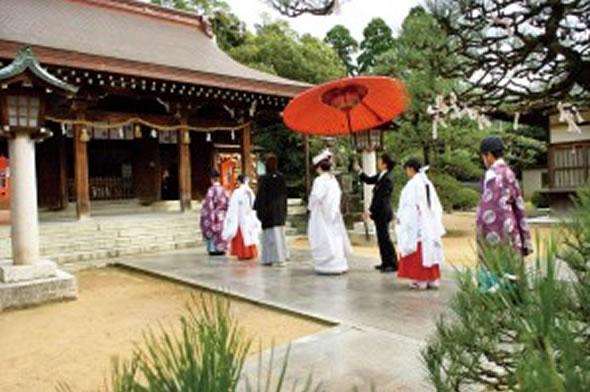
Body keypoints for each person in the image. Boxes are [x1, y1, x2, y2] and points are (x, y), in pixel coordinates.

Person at [476, 136, 533, 290]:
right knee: (510, 259)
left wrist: (480, 226)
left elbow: (488, 205)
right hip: (510, 222)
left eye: (483, 156)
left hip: (495, 226)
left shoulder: (492, 174)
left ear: (488, 155)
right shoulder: (509, 172)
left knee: (493, 261)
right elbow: (518, 201)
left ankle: (493, 295)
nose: (483, 160)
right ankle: (514, 293)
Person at [396, 158, 445, 289]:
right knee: (430, 248)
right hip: (428, 221)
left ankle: (420, 279)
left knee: (417, 249)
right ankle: (432, 278)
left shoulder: (413, 184)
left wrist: (403, 219)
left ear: (411, 169)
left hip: (417, 223)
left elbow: (409, 205)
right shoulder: (426, 182)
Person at [308, 149, 351, 275]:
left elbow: (316, 196)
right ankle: (338, 263)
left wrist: (311, 206)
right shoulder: (333, 180)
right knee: (335, 237)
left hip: (321, 213)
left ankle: (327, 265)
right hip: (333, 213)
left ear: (319, 167)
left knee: (323, 237)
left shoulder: (320, 181)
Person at [355, 153, 398, 273]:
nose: (377, 162)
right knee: (381, 238)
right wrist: (359, 171)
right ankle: (385, 262)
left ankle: (393, 263)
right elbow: (369, 180)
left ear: (384, 164)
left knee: (385, 238)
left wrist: (369, 211)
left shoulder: (387, 179)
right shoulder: (381, 176)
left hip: (383, 212)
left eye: (379, 160)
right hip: (379, 213)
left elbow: (381, 198)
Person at [254, 154, 290, 266]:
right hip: (279, 211)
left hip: (269, 212)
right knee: (279, 235)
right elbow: (284, 195)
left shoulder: (265, 179)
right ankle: (282, 256)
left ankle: (270, 258)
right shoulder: (281, 177)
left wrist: (258, 209)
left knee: (270, 237)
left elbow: (261, 196)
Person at [223, 174, 261, 260]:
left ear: (239, 181)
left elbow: (233, 206)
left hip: (240, 215)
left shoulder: (238, 192)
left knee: (242, 234)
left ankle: (243, 253)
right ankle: (251, 252)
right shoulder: (250, 191)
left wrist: (231, 217)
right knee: (250, 234)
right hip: (249, 215)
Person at [200, 169, 229, 256]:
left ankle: (213, 248)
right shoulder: (223, 189)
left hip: (213, 213)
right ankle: (222, 248)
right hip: (222, 214)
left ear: (212, 179)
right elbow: (227, 203)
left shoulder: (211, 190)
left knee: (212, 230)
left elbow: (209, 205)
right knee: (221, 231)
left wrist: (207, 214)